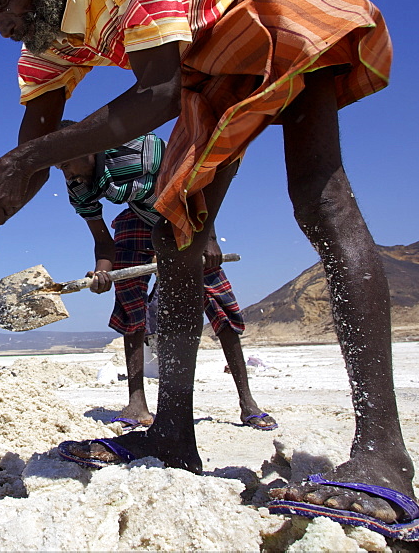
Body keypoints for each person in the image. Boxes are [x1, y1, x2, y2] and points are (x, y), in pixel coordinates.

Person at [0, 0, 419, 540]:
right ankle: (173, 434)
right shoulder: (44, 49)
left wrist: (29, 155)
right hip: (203, 78)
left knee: (321, 202)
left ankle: (384, 454)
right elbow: (19, 175)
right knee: (173, 236)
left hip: (266, 25)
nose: (1, 25)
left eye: (2, 0)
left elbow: (155, 93)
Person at [55, 122, 276, 432]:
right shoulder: (77, 185)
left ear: (88, 149)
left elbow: (194, 186)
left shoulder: (140, 149)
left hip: (182, 209)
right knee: (129, 299)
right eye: (58, 167)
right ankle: (137, 403)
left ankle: (247, 402)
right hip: (137, 217)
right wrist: (103, 272)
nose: (65, 174)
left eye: (66, 163)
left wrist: (208, 236)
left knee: (214, 292)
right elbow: (104, 243)